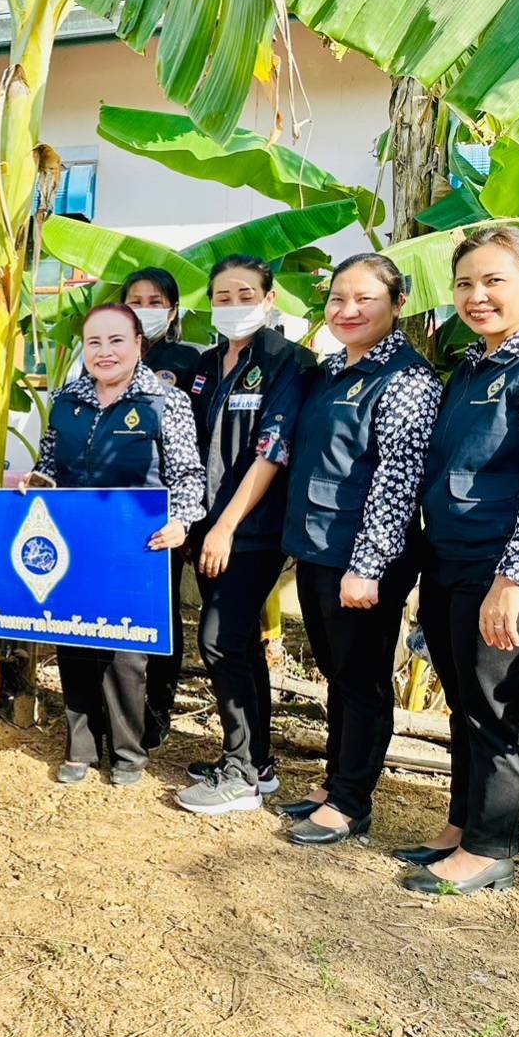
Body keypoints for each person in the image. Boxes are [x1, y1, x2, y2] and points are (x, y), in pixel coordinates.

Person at [402, 226, 519, 895]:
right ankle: (462, 826)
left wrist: (512, 578)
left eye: (494, 280)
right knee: (466, 698)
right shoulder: (470, 366)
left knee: (496, 704)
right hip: (452, 559)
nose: (476, 295)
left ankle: (492, 845)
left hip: (511, 568)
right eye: (465, 282)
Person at [277, 254, 440, 845]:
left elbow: (397, 482)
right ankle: (335, 779)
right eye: (337, 298)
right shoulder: (329, 371)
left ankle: (351, 802)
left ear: (397, 306)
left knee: (363, 677)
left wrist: (367, 568)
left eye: (364, 299)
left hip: (362, 560)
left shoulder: (407, 381)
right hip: (318, 548)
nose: (347, 311)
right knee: (339, 674)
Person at [23, 303, 204, 785]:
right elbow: (51, 462)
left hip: (140, 545)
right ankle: (80, 747)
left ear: (139, 344)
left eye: (116, 341)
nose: (105, 352)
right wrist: (39, 478)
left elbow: (188, 475)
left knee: (126, 654)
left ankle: (128, 753)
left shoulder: (165, 401)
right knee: (74, 641)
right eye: (95, 343)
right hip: (74, 541)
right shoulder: (68, 399)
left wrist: (182, 521)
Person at [177, 254, 316, 816]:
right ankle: (256, 761)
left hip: (252, 531)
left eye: (244, 294)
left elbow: (272, 451)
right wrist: (196, 522)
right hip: (207, 526)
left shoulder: (290, 363)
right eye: (223, 296)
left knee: (219, 638)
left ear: (269, 297)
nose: (233, 306)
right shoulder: (206, 364)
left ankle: (238, 773)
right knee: (237, 644)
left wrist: (227, 526)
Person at [122, 267, 203, 749]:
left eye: (155, 301)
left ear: (172, 310)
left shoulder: (187, 360)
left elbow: (196, 444)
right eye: (135, 299)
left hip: (164, 514)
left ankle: (157, 709)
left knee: (161, 613)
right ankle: (120, 707)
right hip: (111, 510)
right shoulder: (105, 353)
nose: (144, 308)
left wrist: (189, 515)